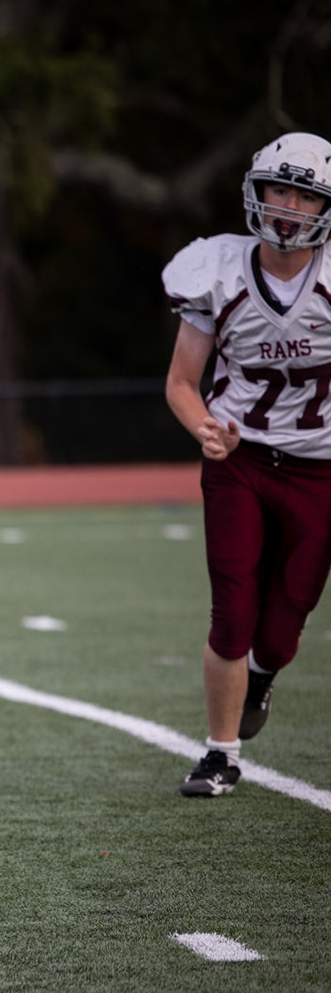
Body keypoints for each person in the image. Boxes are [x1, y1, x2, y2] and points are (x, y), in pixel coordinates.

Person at [162, 131, 331, 797]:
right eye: (278, 189)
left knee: (284, 624)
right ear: (255, 193)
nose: (288, 205)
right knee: (232, 605)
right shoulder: (218, 272)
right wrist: (206, 429)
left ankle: (263, 676)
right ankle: (220, 752)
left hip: (321, 467)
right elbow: (181, 381)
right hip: (241, 459)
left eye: (304, 193)